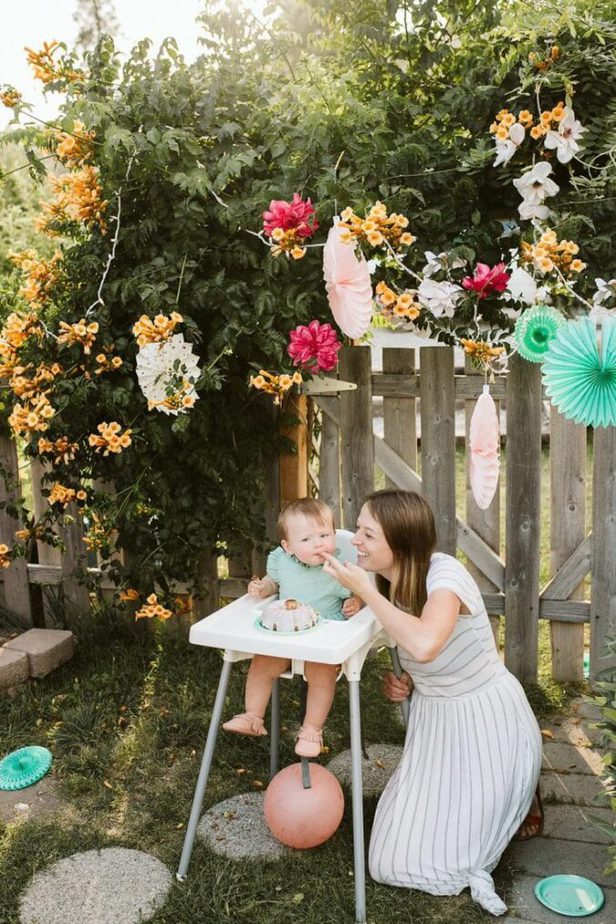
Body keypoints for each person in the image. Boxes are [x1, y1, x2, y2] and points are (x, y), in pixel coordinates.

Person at [322, 489, 542, 916]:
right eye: (360, 530)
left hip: (488, 721)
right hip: (436, 722)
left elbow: (423, 644)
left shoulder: (445, 575)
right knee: (388, 862)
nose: (357, 541)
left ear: (401, 545)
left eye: (368, 534)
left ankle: (521, 786)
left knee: (453, 860)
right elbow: (417, 656)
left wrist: (366, 593)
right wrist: (407, 683)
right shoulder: (388, 580)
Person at [222, 497, 361, 758]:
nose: (319, 543)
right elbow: (273, 583)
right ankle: (252, 715)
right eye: (307, 539)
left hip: (322, 636)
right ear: (287, 547)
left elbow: (355, 595)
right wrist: (263, 588)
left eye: (324, 534)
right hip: (285, 633)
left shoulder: (338, 568)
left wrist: (354, 603)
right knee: (262, 663)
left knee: (322, 674)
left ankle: (311, 730)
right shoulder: (281, 561)